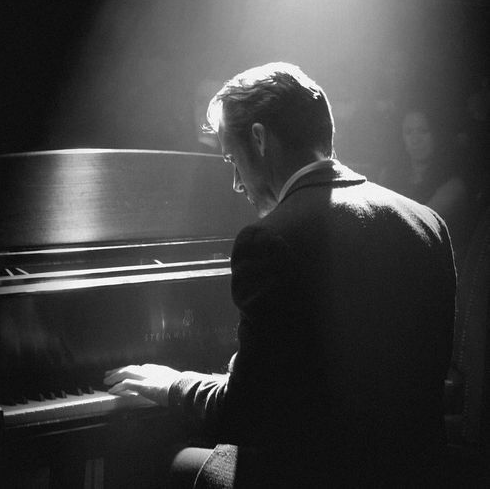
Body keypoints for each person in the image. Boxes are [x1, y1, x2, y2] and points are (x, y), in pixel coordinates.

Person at [104, 63, 456, 487]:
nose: (236, 183)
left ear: (259, 138)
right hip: (416, 473)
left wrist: (175, 384)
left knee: (150, 454)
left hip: (316, 476)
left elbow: (245, 415)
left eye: (232, 159)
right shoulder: (427, 223)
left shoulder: (272, 240)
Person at [379, 108, 471, 266]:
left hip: (431, 264)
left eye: (423, 131)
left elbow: (418, 225)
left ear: (436, 135)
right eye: (409, 132)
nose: (415, 139)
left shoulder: (453, 185)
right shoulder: (388, 176)